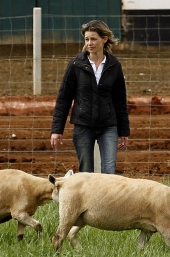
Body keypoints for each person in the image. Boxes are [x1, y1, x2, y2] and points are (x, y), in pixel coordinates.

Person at [50, 20, 130, 174]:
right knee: (86, 172)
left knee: (109, 172)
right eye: (87, 39)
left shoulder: (114, 65)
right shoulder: (76, 64)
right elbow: (64, 98)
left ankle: (107, 199)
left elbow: (120, 100)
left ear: (104, 39)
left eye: (93, 39)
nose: (89, 43)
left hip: (108, 126)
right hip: (83, 126)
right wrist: (56, 130)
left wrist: (124, 131)